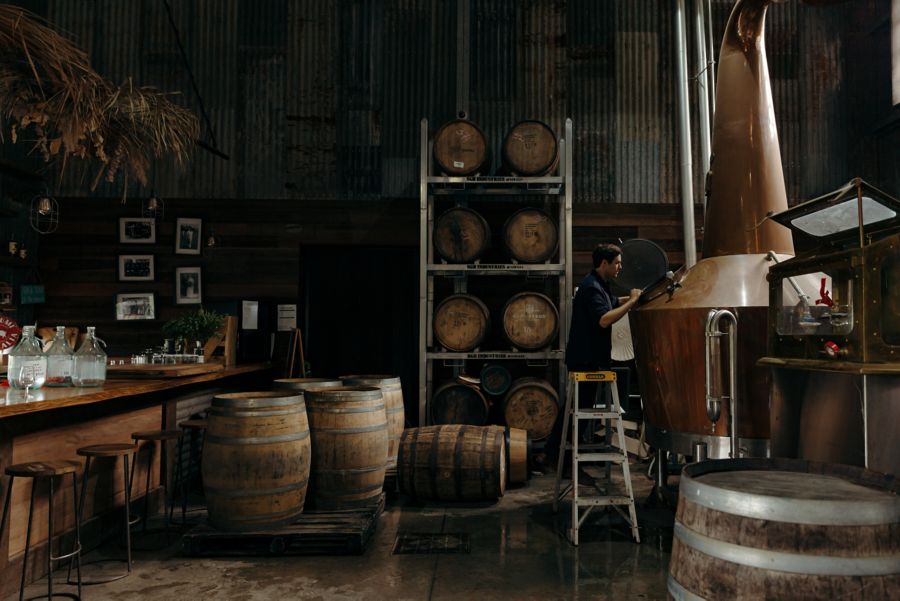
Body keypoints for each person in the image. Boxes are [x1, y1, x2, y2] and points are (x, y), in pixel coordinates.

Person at [544, 243, 641, 472]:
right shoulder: (591, 287)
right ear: (604, 263)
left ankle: (560, 455)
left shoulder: (600, 285)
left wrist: (635, 297)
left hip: (592, 359)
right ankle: (558, 456)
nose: (620, 267)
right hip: (585, 360)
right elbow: (604, 319)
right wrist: (633, 302)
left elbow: (613, 302)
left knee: (582, 411)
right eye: (617, 263)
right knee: (579, 411)